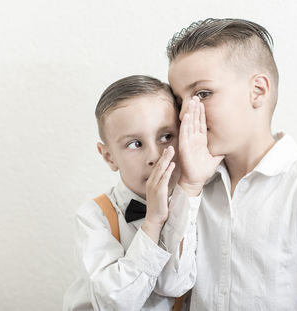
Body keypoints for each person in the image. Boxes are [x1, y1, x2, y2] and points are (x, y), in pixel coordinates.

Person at [164, 18, 297, 310]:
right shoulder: (191, 189)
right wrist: (188, 189)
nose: (185, 115)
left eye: (203, 94)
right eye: (180, 102)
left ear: (257, 91)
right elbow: (169, 285)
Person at [63, 75, 201, 311]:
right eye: (135, 144)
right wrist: (153, 222)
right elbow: (116, 303)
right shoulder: (94, 217)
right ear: (109, 157)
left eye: (166, 137)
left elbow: (173, 285)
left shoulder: (195, 204)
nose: (155, 157)